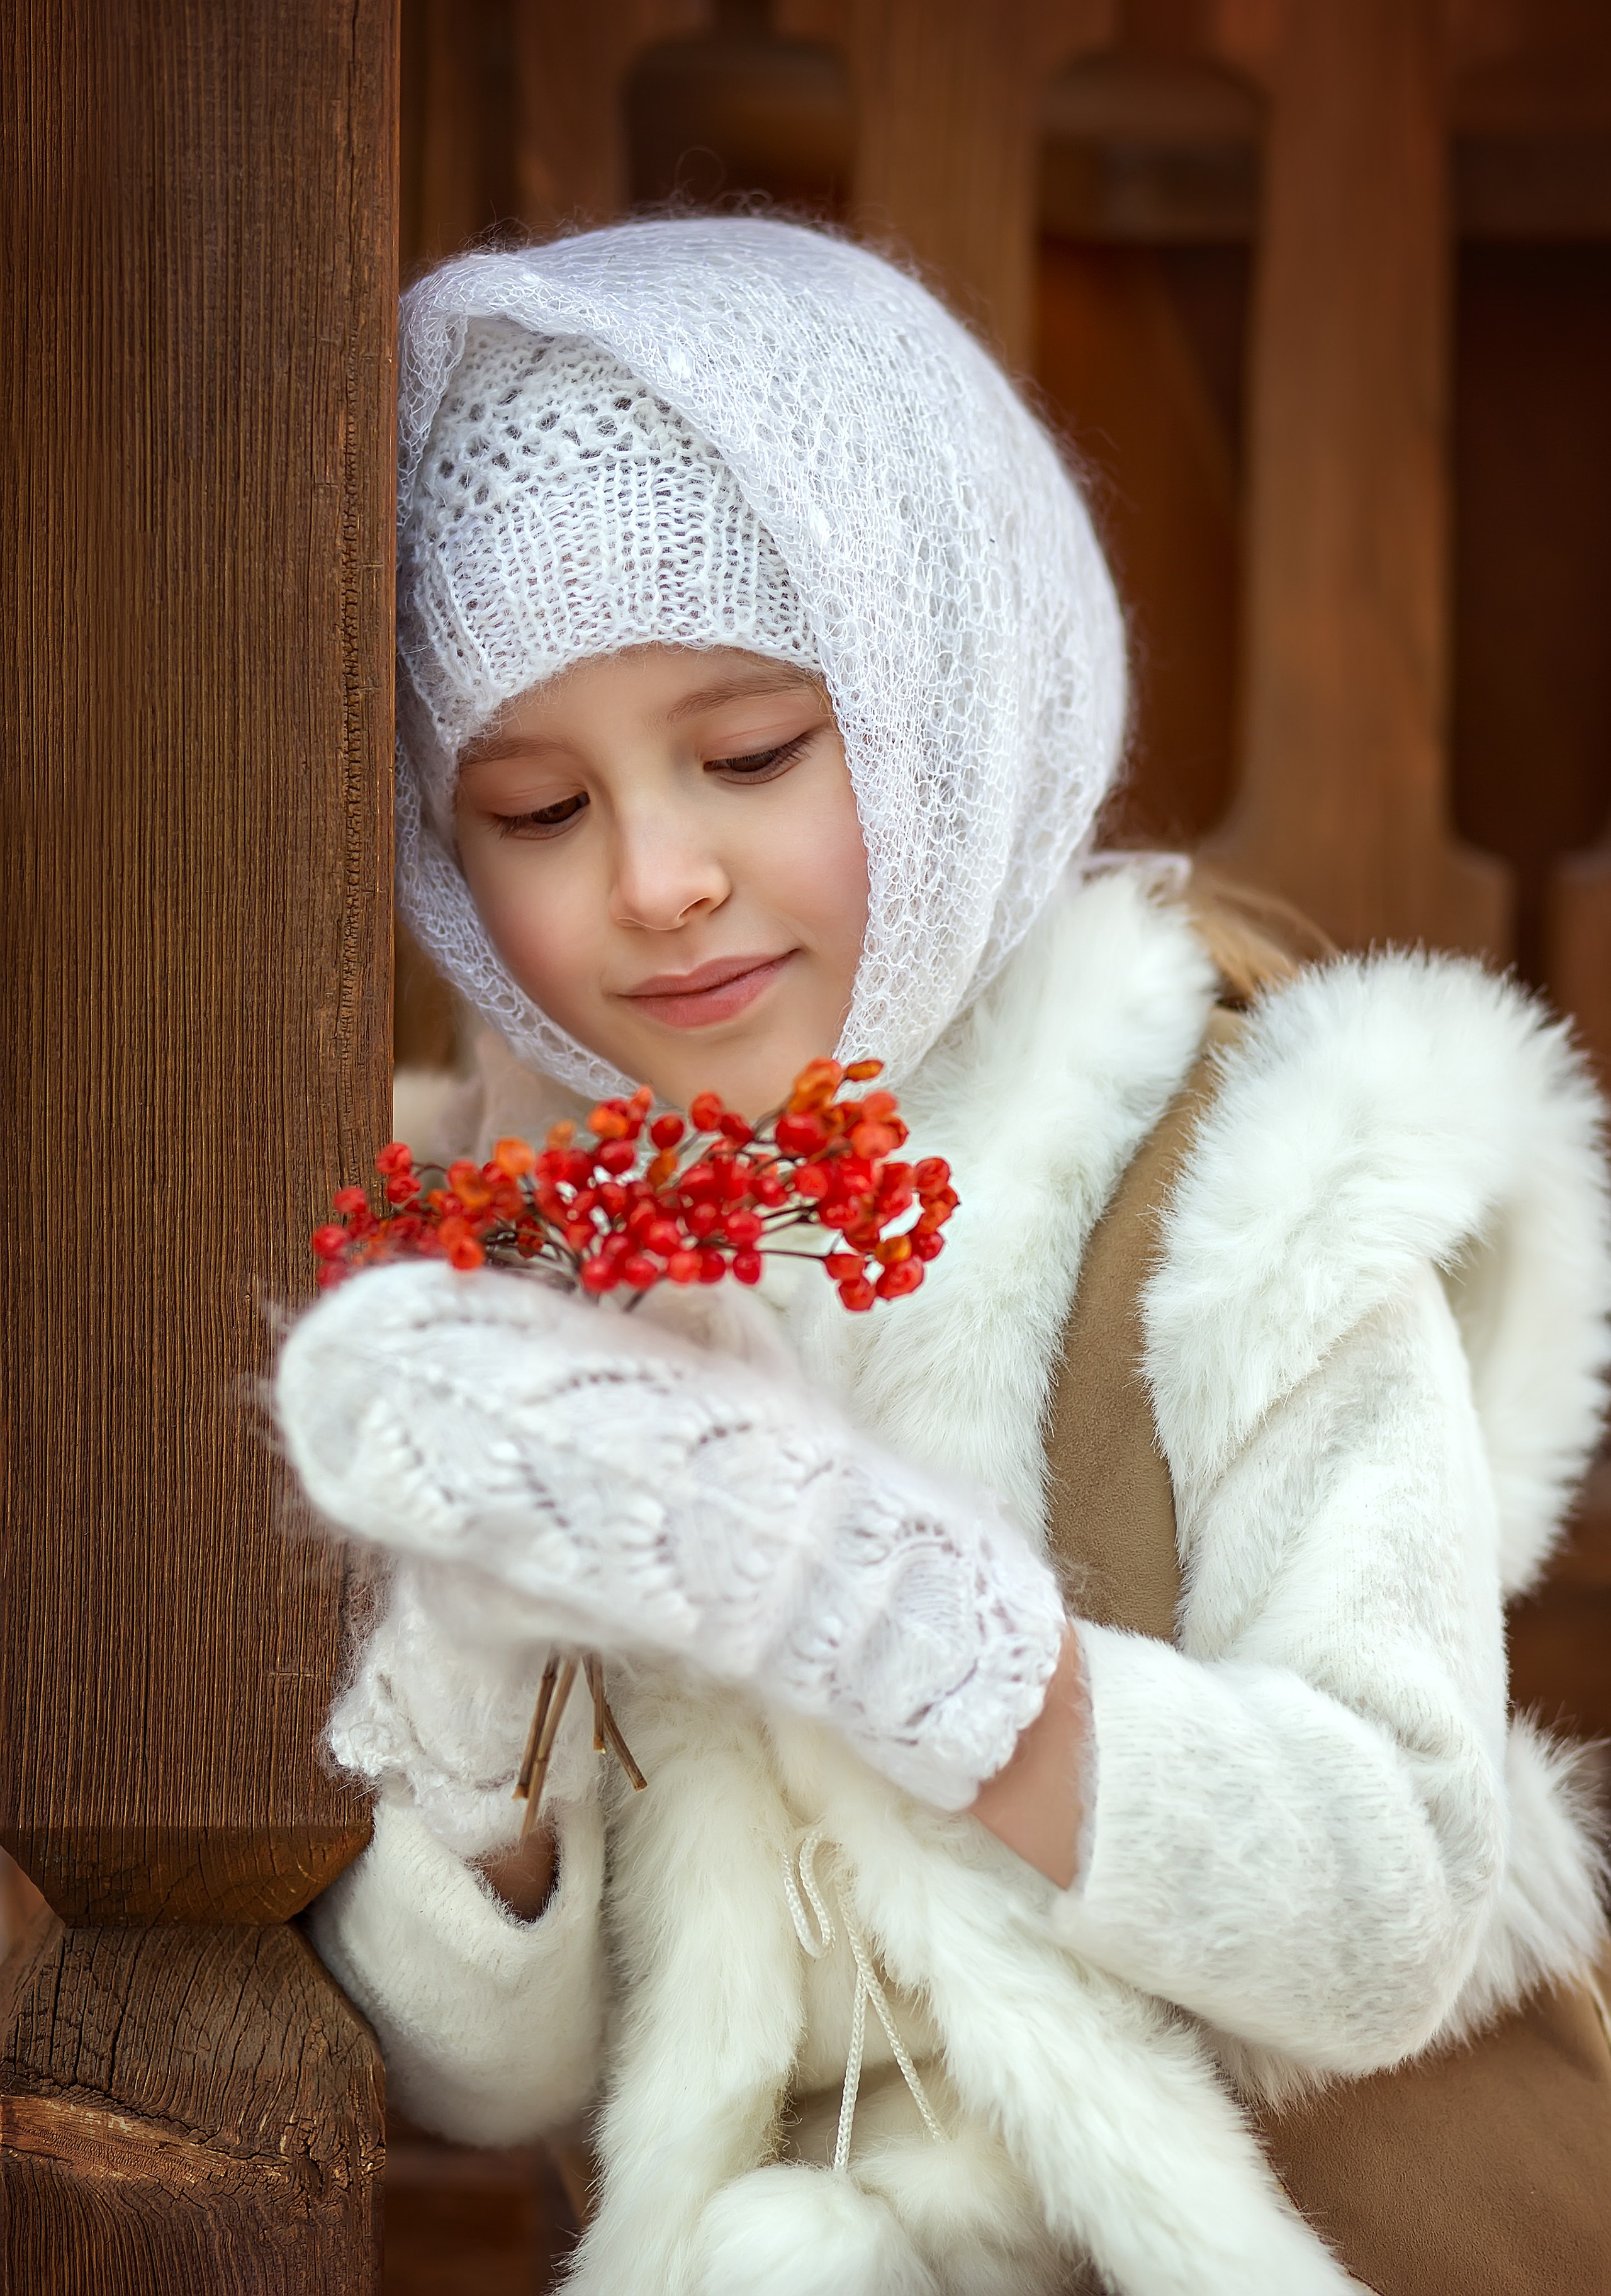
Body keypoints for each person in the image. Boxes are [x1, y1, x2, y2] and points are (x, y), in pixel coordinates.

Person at [276, 218, 1611, 2296]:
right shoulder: (535, 1251)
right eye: (533, 810)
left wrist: (912, 1636)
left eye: (748, 756)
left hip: (1331, 2220)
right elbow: (494, 2084)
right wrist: (481, 1667)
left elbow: (1390, 1906)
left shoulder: (1244, 1173)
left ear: (937, 695)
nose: (658, 880)